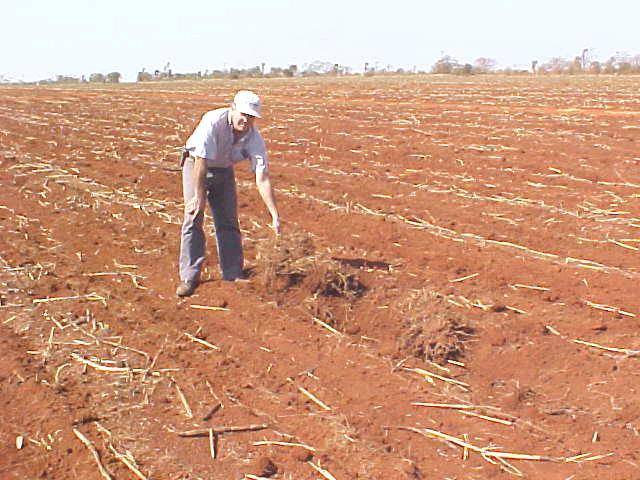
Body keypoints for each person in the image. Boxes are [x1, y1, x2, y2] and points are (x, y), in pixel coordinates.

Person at [176, 90, 280, 297]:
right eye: (243, 114)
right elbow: (201, 162)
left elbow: (263, 177)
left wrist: (274, 214)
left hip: (223, 169)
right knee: (194, 216)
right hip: (196, 164)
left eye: (251, 117)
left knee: (228, 221)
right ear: (232, 108)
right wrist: (198, 196)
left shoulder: (253, 138)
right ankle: (189, 277)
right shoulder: (213, 121)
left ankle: (232, 272)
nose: (246, 120)